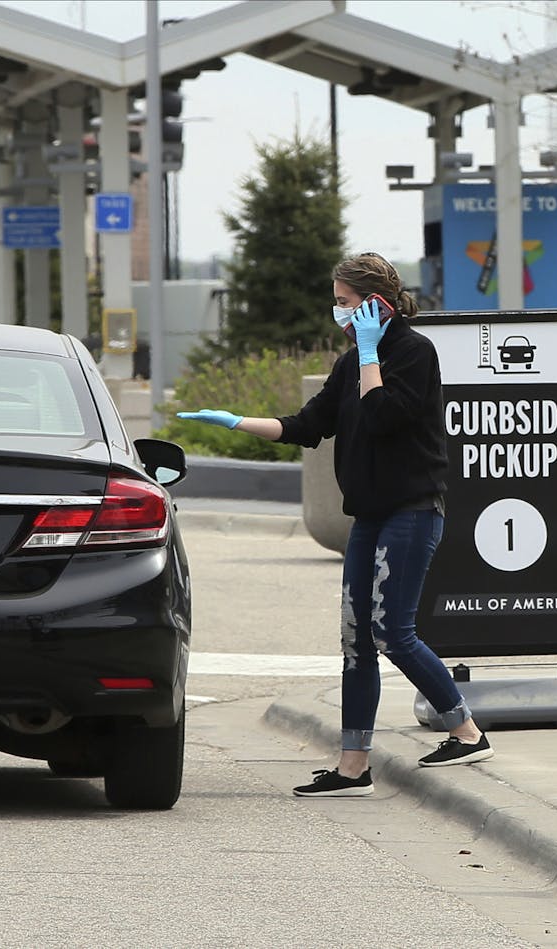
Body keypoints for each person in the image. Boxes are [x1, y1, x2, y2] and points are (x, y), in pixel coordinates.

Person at [179, 252, 492, 797]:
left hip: (412, 511)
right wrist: (235, 421)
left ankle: (465, 731)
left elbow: (382, 416)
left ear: (376, 305)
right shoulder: (351, 364)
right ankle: (353, 768)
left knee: (393, 633)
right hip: (368, 516)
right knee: (355, 640)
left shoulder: (415, 354)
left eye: (346, 303)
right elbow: (307, 425)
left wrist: (369, 351)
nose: (339, 312)